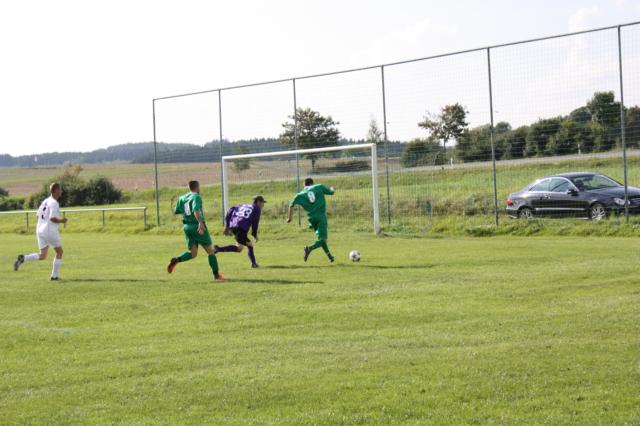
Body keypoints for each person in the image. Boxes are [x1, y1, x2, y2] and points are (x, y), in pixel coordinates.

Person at [167, 180, 224, 281]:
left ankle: (177, 260)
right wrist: (200, 223)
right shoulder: (196, 197)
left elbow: (176, 211)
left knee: (193, 253)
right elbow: (195, 210)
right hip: (197, 226)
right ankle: (216, 276)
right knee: (211, 251)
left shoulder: (182, 198)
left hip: (187, 227)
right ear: (197, 187)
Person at [14, 182, 67, 281]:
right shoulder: (54, 203)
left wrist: (43, 223)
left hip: (40, 230)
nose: (61, 191)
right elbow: (52, 218)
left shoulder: (45, 201)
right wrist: (62, 220)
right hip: (49, 231)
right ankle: (54, 276)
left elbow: (37, 215)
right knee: (59, 252)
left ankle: (23, 258)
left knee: (43, 255)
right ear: (56, 191)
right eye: (60, 189)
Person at [287, 177, 335, 263]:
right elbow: (331, 192)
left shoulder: (299, 194)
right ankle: (309, 248)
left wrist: (290, 218)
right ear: (312, 183)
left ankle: (330, 257)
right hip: (320, 216)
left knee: (320, 239)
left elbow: (291, 205)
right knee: (323, 239)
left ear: (304, 185)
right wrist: (332, 188)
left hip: (311, 219)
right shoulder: (319, 186)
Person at [214, 196, 265, 268]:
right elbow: (255, 223)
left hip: (234, 226)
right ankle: (253, 264)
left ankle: (218, 249)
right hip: (241, 228)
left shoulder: (242, 205)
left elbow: (230, 211)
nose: (263, 205)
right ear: (258, 202)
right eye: (263, 202)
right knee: (250, 245)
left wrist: (227, 226)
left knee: (239, 248)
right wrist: (254, 234)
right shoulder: (257, 208)